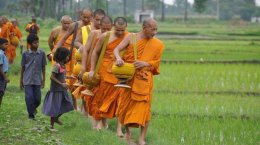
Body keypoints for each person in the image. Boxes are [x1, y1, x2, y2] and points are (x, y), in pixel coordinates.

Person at [114, 18, 164, 145]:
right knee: (125, 107)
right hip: (129, 78)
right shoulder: (131, 37)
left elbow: (156, 63)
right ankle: (128, 133)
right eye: (152, 29)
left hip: (144, 80)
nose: (155, 32)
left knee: (145, 110)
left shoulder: (158, 44)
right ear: (144, 27)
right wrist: (119, 59)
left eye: (156, 29)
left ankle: (142, 138)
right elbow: (116, 50)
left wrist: (145, 63)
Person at [88, 17, 128, 134]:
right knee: (103, 96)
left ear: (126, 27)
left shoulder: (129, 37)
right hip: (105, 69)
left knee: (120, 98)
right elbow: (95, 52)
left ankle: (119, 129)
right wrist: (92, 69)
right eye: (117, 30)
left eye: (122, 30)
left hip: (121, 71)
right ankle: (101, 121)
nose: (120, 33)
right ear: (113, 27)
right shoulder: (105, 36)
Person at [42, 47, 74, 129]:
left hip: (62, 90)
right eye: (67, 56)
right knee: (54, 108)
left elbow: (62, 75)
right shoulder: (57, 66)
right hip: (56, 90)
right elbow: (52, 77)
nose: (68, 58)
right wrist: (61, 84)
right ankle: (51, 126)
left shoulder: (63, 66)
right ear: (62, 56)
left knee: (69, 104)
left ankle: (56, 118)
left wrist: (70, 77)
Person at [20, 34, 46, 120]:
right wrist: (21, 80)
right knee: (29, 98)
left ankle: (33, 109)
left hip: (37, 80)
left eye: (37, 42)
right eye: (35, 43)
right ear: (29, 44)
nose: (37, 44)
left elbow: (43, 67)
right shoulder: (25, 54)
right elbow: (23, 67)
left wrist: (43, 80)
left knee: (38, 99)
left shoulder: (42, 53)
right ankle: (31, 115)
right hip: (27, 79)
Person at [48, 15, 76, 91]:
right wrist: (55, 53)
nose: (67, 25)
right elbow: (50, 42)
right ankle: (58, 91)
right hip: (59, 59)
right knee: (58, 75)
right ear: (61, 23)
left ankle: (73, 101)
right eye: (65, 23)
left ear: (72, 23)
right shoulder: (56, 31)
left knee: (72, 80)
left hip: (70, 59)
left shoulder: (74, 31)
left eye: (68, 23)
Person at [0, 38, 9, 107]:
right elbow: (0, 66)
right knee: (1, 92)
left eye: (7, 44)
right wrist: (5, 77)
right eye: (5, 44)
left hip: (3, 75)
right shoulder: (1, 54)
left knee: (2, 92)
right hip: (1, 76)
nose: (7, 46)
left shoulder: (3, 53)